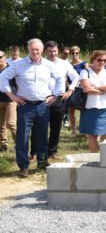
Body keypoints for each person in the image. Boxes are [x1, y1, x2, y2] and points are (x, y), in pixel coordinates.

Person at [0, 38, 64, 178]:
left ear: (42, 50)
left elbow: (60, 78)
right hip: (25, 105)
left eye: (37, 49)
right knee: (22, 136)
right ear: (28, 50)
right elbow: (3, 77)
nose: (35, 52)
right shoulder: (19, 65)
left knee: (42, 135)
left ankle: (42, 162)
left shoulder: (48, 65)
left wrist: (55, 95)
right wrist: (12, 96)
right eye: (32, 49)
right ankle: (23, 166)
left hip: (43, 105)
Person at [45, 41, 79, 159]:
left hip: (59, 98)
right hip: (42, 98)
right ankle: (35, 152)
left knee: (56, 126)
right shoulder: (40, 63)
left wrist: (70, 90)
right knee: (39, 126)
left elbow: (75, 77)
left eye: (55, 51)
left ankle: (52, 151)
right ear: (45, 51)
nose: (53, 54)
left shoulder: (64, 64)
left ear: (58, 51)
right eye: (50, 51)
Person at [79, 50, 106, 152]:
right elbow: (86, 89)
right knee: (92, 135)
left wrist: (95, 87)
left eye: (104, 60)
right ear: (93, 60)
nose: (102, 62)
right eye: (99, 60)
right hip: (90, 107)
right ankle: (94, 158)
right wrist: (102, 90)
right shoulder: (85, 72)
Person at [69, 45, 89, 136]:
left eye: (76, 53)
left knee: (83, 110)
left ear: (79, 53)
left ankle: (83, 129)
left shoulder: (84, 64)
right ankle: (73, 130)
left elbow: (88, 76)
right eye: (72, 53)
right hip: (71, 89)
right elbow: (65, 77)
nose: (75, 55)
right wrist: (69, 86)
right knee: (71, 110)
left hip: (81, 89)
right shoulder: (68, 64)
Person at [0, 51, 17, 152]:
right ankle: (3, 144)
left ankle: (19, 143)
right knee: (1, 124)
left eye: (0, 57)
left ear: (5, 57)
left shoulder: (11, 69)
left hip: (10, 100)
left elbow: (18, 83)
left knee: (10, 123)